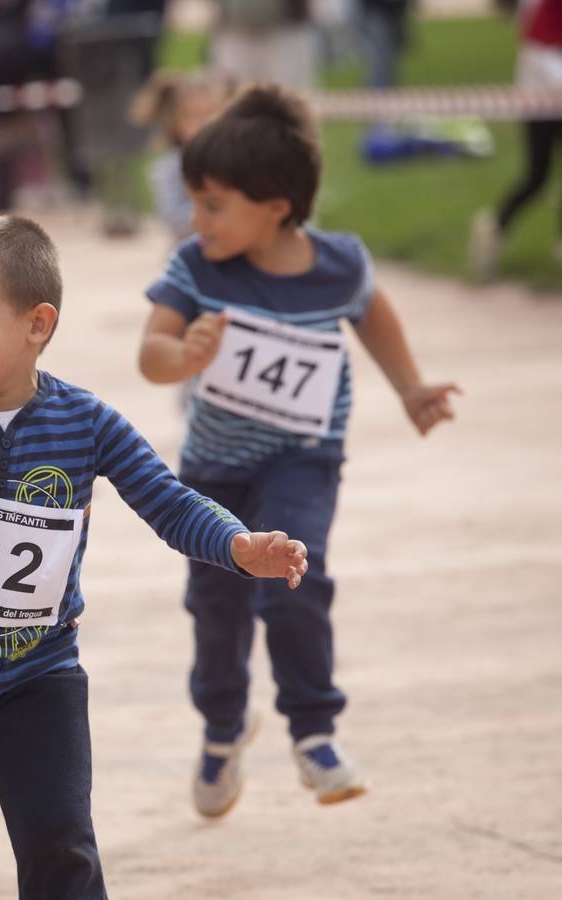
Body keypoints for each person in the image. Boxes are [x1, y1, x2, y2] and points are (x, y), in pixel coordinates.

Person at [0, 214, 310, 898]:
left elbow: (170, 502)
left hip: (39, 674)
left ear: (37, 325)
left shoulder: (87, 421)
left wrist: (239, 546)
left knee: (62, 846)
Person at [138, 84, 460, 819]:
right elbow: (150, 354)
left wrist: (410, 388)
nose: (197, 219)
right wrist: (181, 354)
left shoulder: (339, 264)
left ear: (275, 204)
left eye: (213, 204)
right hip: (214, 471)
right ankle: (222, 729)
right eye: (193, 201)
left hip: (304, 459)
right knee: (216, 608)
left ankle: (315, 734)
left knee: (296, 580)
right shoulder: (197, 265)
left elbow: (374, 315)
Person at [469, 0, 562, 278]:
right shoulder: (546, 10)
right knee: (537, 177)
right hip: (540, 102)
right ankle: (494, 227)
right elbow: (539, 53)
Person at [130, 69, 237, 245]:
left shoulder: (240, 161)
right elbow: (172, 217)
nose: (206, 124)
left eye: (213, 115)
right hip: (194, 255)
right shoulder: (171, 168)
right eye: (195, 116)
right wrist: (221, 211)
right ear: (176, 123)